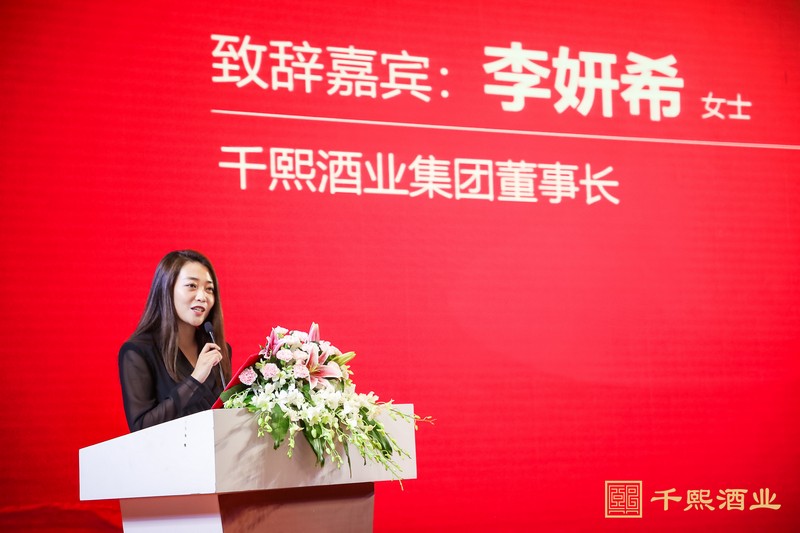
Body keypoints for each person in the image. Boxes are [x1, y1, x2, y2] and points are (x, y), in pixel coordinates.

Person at [119, 250, 232, 431]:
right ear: (167, 289)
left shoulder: (217, 349)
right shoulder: (137, 352)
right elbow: (141, 428)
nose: (202, 297)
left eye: (209, 289)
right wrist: (195, 380)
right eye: (192, 286)